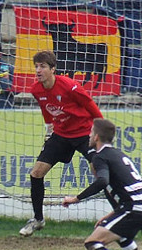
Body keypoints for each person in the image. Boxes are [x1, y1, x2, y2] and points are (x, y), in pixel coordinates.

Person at [63, 118, 142, 250]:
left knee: (93, 242)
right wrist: (112, 215)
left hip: (136, 206)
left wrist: (76, 198)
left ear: (96, 137)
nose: (89, 136)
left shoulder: (100, 157)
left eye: (91, 133)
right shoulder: (118, 154)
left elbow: (103, 181)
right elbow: (119, 187)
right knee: (123, 236)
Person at [19, 50, 103, 237]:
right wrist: (49, 130)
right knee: (36, 173)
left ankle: (119, 215)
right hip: (61, 135)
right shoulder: (35, 89)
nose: (38, 70)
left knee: (101, 171)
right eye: (36, 66)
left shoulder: (69, 86)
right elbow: (46, 110)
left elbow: (90, 105)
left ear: (53, 69)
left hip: (83, 133)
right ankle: (38, 219)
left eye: (42, 66)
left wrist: (99, 130)